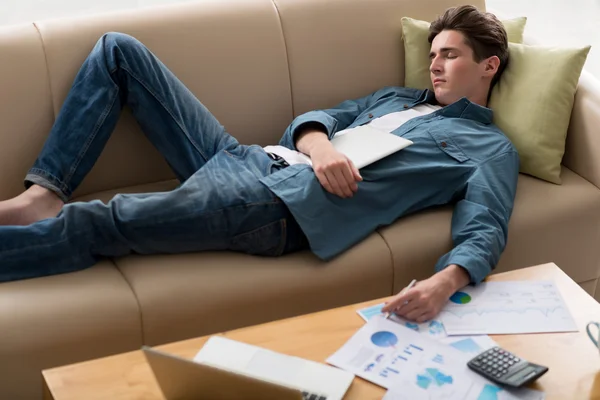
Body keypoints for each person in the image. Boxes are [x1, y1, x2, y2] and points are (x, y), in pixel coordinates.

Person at [0, 5, 517, 323]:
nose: (434, 63)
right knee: (119, 50)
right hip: (248, 157)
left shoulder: (488, 147)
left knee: (103, 221)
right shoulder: (398, 96)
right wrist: (322, 148)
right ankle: (45, 191)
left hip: (276, 205)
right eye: (432, 54)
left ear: (488, 65)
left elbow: (486, 225)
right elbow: (316, 119)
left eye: (449, 55)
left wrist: (444, 282)